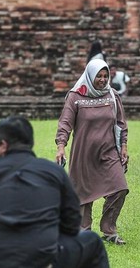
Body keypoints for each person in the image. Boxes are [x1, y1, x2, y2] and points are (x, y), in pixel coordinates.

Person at [0, 116, 109, 268]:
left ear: (3, 145)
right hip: (44, 259)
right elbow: (72, 223)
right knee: (93, 241)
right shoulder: (53, 171)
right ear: (31, 143)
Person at [55, 59, 129, 245]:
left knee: (120, 188)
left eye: (105, 76)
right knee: (83, 196)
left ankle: (109, 229)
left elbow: (121, 124)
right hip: (84, 155)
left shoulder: (112, 96)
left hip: (109, 153)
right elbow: (65, 124)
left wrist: (124, 147)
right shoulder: (75, 97)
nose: (103, 80)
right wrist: (61, 146)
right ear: (89, 76)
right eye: (99, 76)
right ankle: (83, 231)